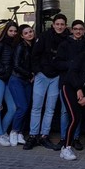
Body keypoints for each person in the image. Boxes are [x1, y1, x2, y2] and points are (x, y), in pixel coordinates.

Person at [24, 14, 69, 151]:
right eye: (57, 24)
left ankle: (44, 136)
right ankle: (33, 136)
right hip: (42, 75)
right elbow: (34, 55)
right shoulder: (44, 36)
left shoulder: (68, 39)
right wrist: (37, 71)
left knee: (50, 108)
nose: (60, 27)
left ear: (65, 25)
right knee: (37, 107)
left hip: (56, 77)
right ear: (53, 25)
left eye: (62, 24)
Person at [54, 19, 85, 150]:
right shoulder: (64, 44)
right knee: (64, 112)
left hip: (81, 84)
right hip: (66, 82)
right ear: (72, 30)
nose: (78, 31)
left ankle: (75, 138)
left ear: (84, 31)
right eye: (76, 29)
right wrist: (72, 64)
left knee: (77, 111)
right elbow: (57, 63)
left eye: (81, 29)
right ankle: (64, 138)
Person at [8, 24, 35, 147]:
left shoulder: (32, 45)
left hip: (27, 80)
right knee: (22, 107)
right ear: (21, 36)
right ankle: (13, 131)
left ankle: (20, 133)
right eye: (26, 33)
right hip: (17, 79)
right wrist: (30, 74)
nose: (29, 34)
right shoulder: (20, 46)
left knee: (27, 107)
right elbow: (16, 65)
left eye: (30, 31)